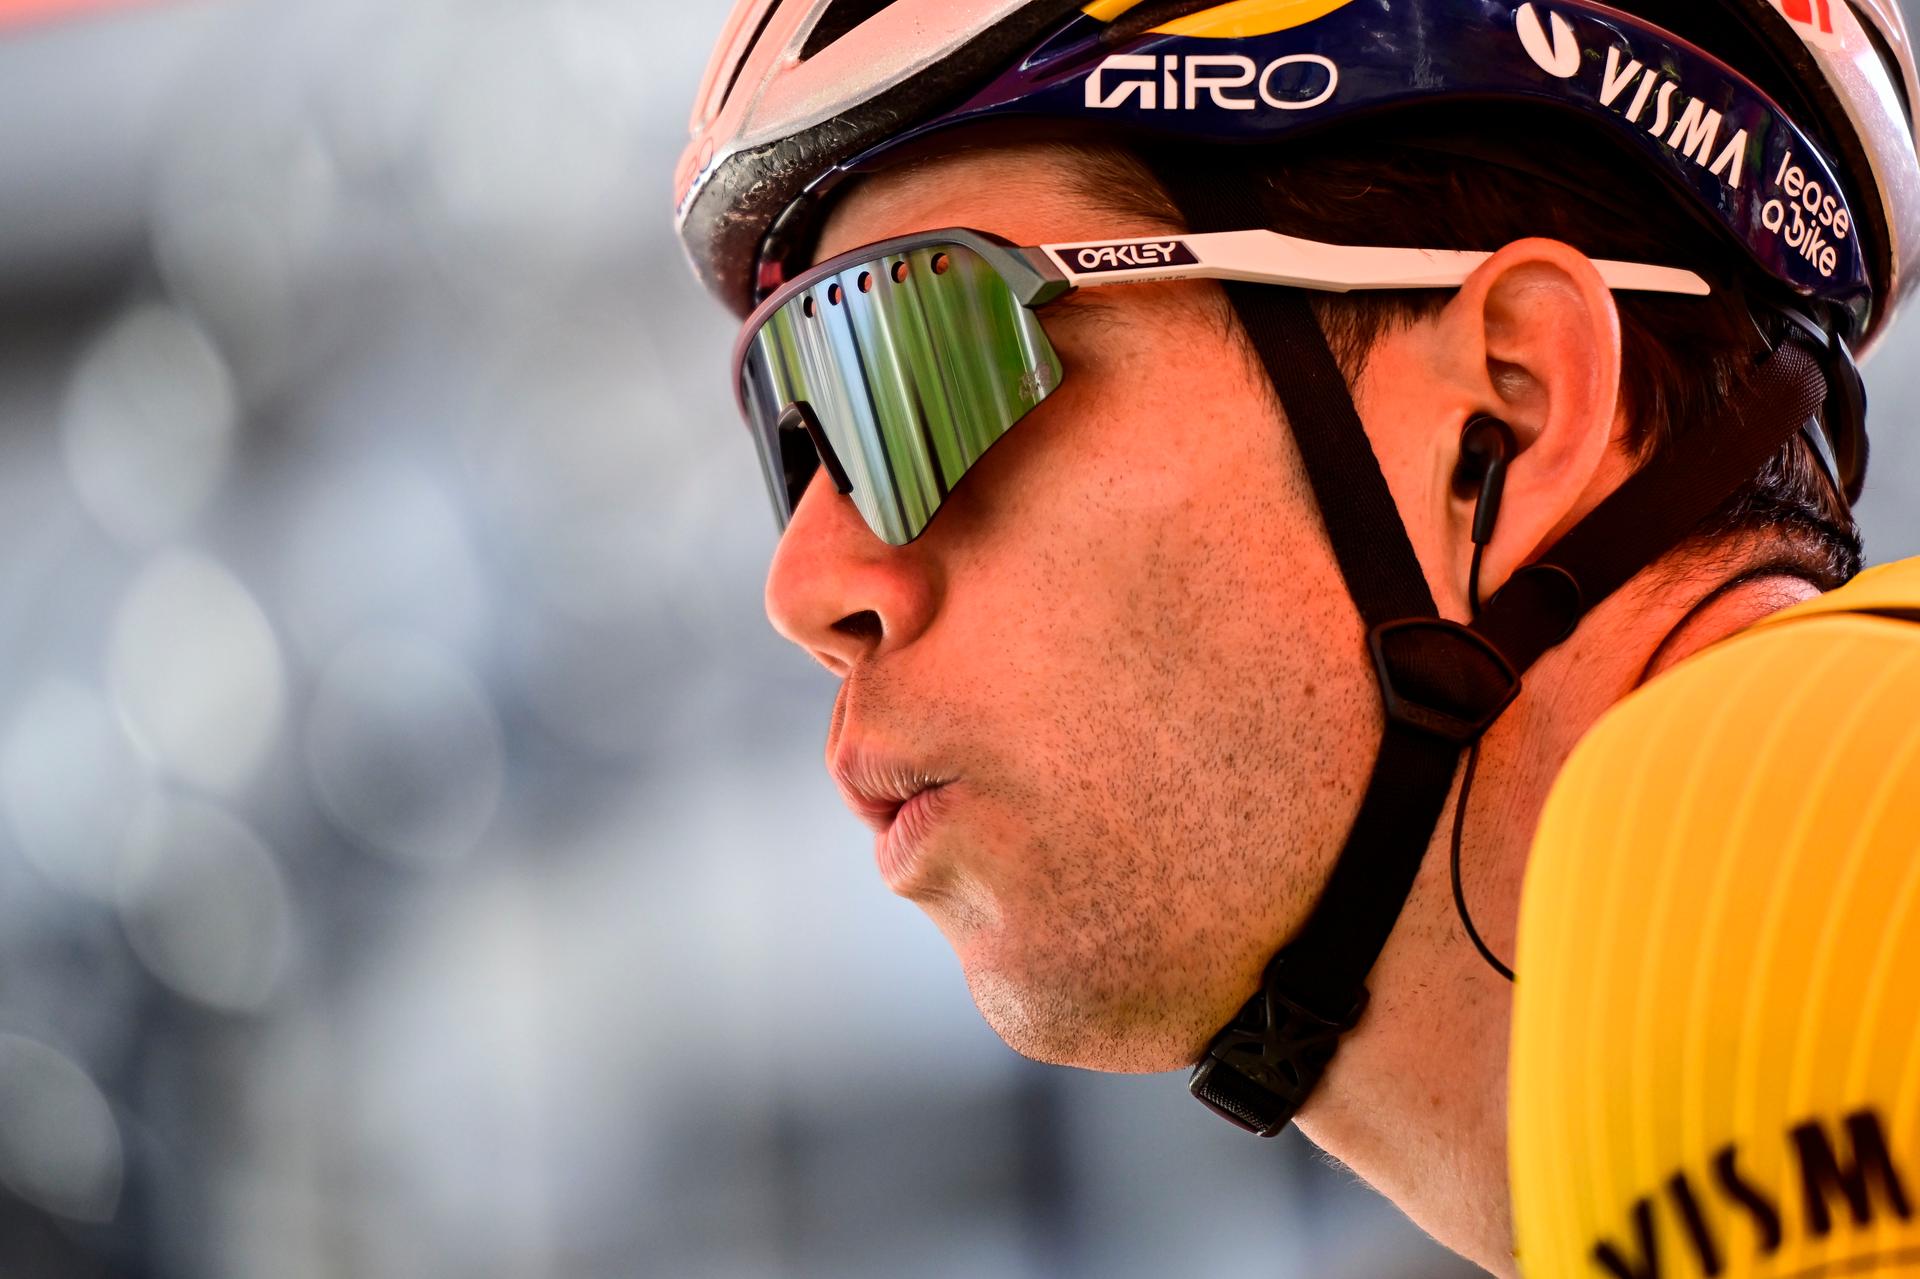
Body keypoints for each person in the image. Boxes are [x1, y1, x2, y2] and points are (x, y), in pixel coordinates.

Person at [673, 0, 1920, 1273]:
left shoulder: (1827, 801)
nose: (806, 581)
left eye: (916, 367)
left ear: (1509, 410)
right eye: (800, 433)